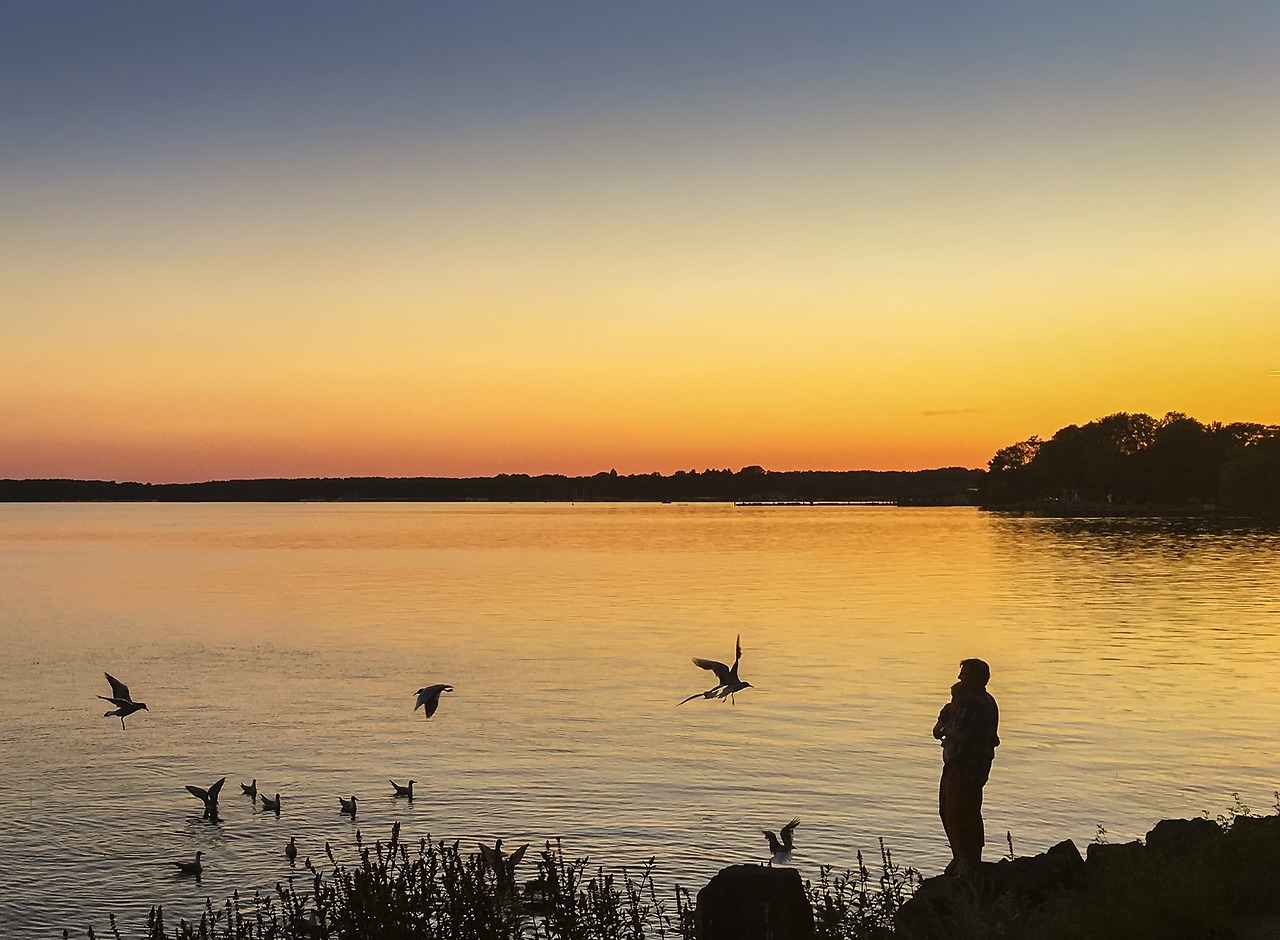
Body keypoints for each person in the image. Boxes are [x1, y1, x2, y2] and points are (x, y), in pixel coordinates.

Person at [932, 658, 999, 873]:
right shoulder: (984, 701)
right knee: (965, 812)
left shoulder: (974, 702)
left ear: (978, 679)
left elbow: (961, 735)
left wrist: (943, 729)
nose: (960, 678)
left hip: (965, 766)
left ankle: (965, 861)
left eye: (966, 674)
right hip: (973, 766)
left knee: (956, 813)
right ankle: (966, 858)